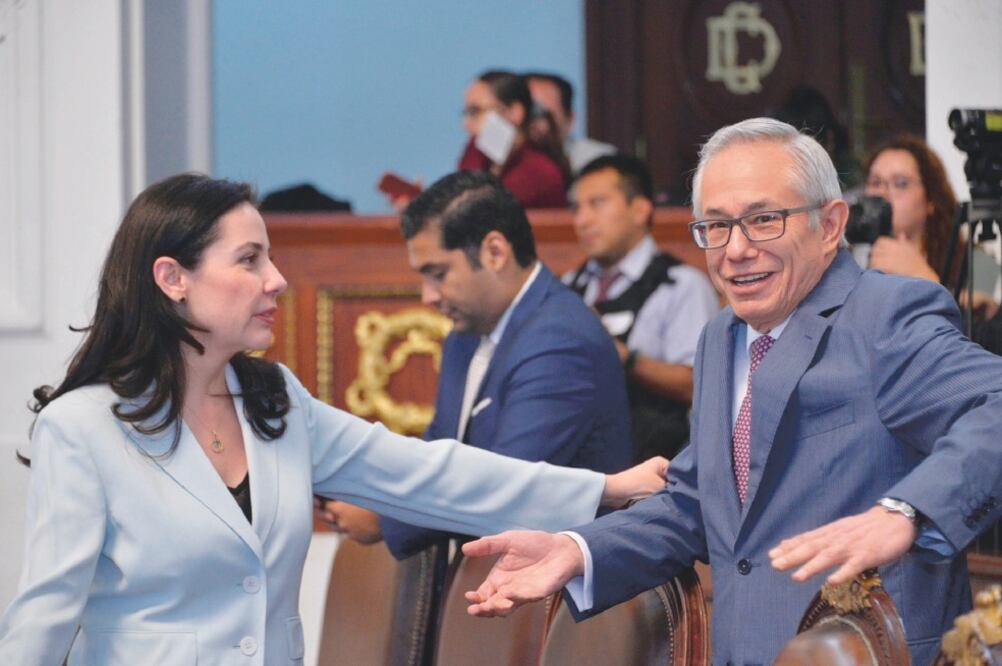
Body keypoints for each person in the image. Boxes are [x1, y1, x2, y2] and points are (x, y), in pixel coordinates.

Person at [0, 174, 668, 665]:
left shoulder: (275, 401)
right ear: (172, 278)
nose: (277, 281)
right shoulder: (82, 427)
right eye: (250, 260)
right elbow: (45, 619)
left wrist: (603, 488)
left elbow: (433, 473)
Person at [460, 118, 1002, 665]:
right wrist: (576, 549)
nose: (735, 249)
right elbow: (702, 501)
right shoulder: (722, 336)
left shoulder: (885, 316)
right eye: (715, 227)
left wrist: (905, 511)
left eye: (763, 220)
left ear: (830, 224)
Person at [317, 170, 633, 555]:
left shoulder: (560, 341)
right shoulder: (464, 336)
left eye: (438, 274)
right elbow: (438, 450)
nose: (428, 296)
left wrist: (383, 514)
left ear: (495, 252)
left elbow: (507, 489)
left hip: (564, 600)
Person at [564, 154, 718, 461]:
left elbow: (701, 385)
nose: (582, 220)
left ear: (640, 209)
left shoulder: (681, 286)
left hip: (655, 470)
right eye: (577, 208)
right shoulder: (569, 286)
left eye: (597, 204)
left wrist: (621, 356)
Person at [863, 134, 1000, 320]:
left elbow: (977, 339)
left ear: (931, 200)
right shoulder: (855, 259)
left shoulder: (974, 262)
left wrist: (920, 275)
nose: (882, 194)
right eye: (875, 182)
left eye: (900, 183)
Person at [456, 70, 567, 208]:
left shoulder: (538, 172)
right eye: (465, 113)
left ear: (514, 112)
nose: (465, 124)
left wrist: (474, 148)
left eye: (475, 111)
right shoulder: (481, 158)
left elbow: (471, 211)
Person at [524, 71, 616, 174]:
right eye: (527, 113)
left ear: (569, 119)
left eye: (544, 115)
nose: (533, 124)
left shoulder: (597, 161)